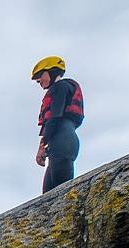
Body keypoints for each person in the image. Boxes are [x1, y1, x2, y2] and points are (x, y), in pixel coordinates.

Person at [32, 56, 84, 194]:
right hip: (61, 142)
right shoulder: (64, 87)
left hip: (62, 141)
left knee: (60, 194)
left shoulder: (60, 87)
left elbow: (54, 117)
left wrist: (42, 146)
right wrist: (44, 146)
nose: (38, 81)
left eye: (40, 76)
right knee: (48, 195)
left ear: (52, 71)